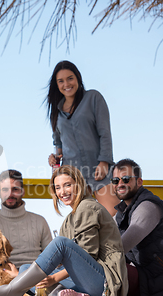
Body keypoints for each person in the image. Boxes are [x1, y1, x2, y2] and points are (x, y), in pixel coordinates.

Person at [0, 165, 128, 296]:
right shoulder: (70, 218)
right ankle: (63, 295)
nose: (62, 192)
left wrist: (54, 277)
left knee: (60, 243)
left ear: (79, 185)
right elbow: (58, 262)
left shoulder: (87, 207)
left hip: (105, 284)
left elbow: (88, 255)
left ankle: (11, 290)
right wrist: (23, 276)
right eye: (58, 187)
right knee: (25, 269)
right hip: (84, 282)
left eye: (67, 185)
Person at [46, 60, 120, 216]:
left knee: (114, 218)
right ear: (56, 84)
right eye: (61, 81)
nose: (66, 83)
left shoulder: (93, 98)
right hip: (74, 176)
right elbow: (58, 143)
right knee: (85, 222)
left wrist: (104, 162)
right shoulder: (56, 112)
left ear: (78, 78)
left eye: (70, 78)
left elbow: (104, 132)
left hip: (99, 171)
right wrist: (55, 157)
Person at [111, 158, 163, 296]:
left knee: (103, 264)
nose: (120, 184)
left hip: (159, 284)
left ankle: (88, 295)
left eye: (126, 179)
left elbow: (118, 249)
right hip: (145, 280)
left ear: (139, 182)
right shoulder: (122, 214)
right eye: (115, 180)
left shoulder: (147, 207)